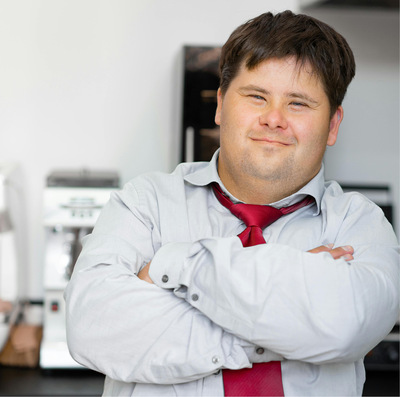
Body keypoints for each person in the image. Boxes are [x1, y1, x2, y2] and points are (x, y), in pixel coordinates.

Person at [65, 10, 399, 397]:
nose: (274, 119)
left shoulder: (362, 226)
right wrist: (287, 324)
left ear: (333, 125)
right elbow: (92, 327)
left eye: (298, 104)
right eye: (257, 96)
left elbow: (343, 326)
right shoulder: (144, 204)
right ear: (221, 105)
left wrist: (175, 264)